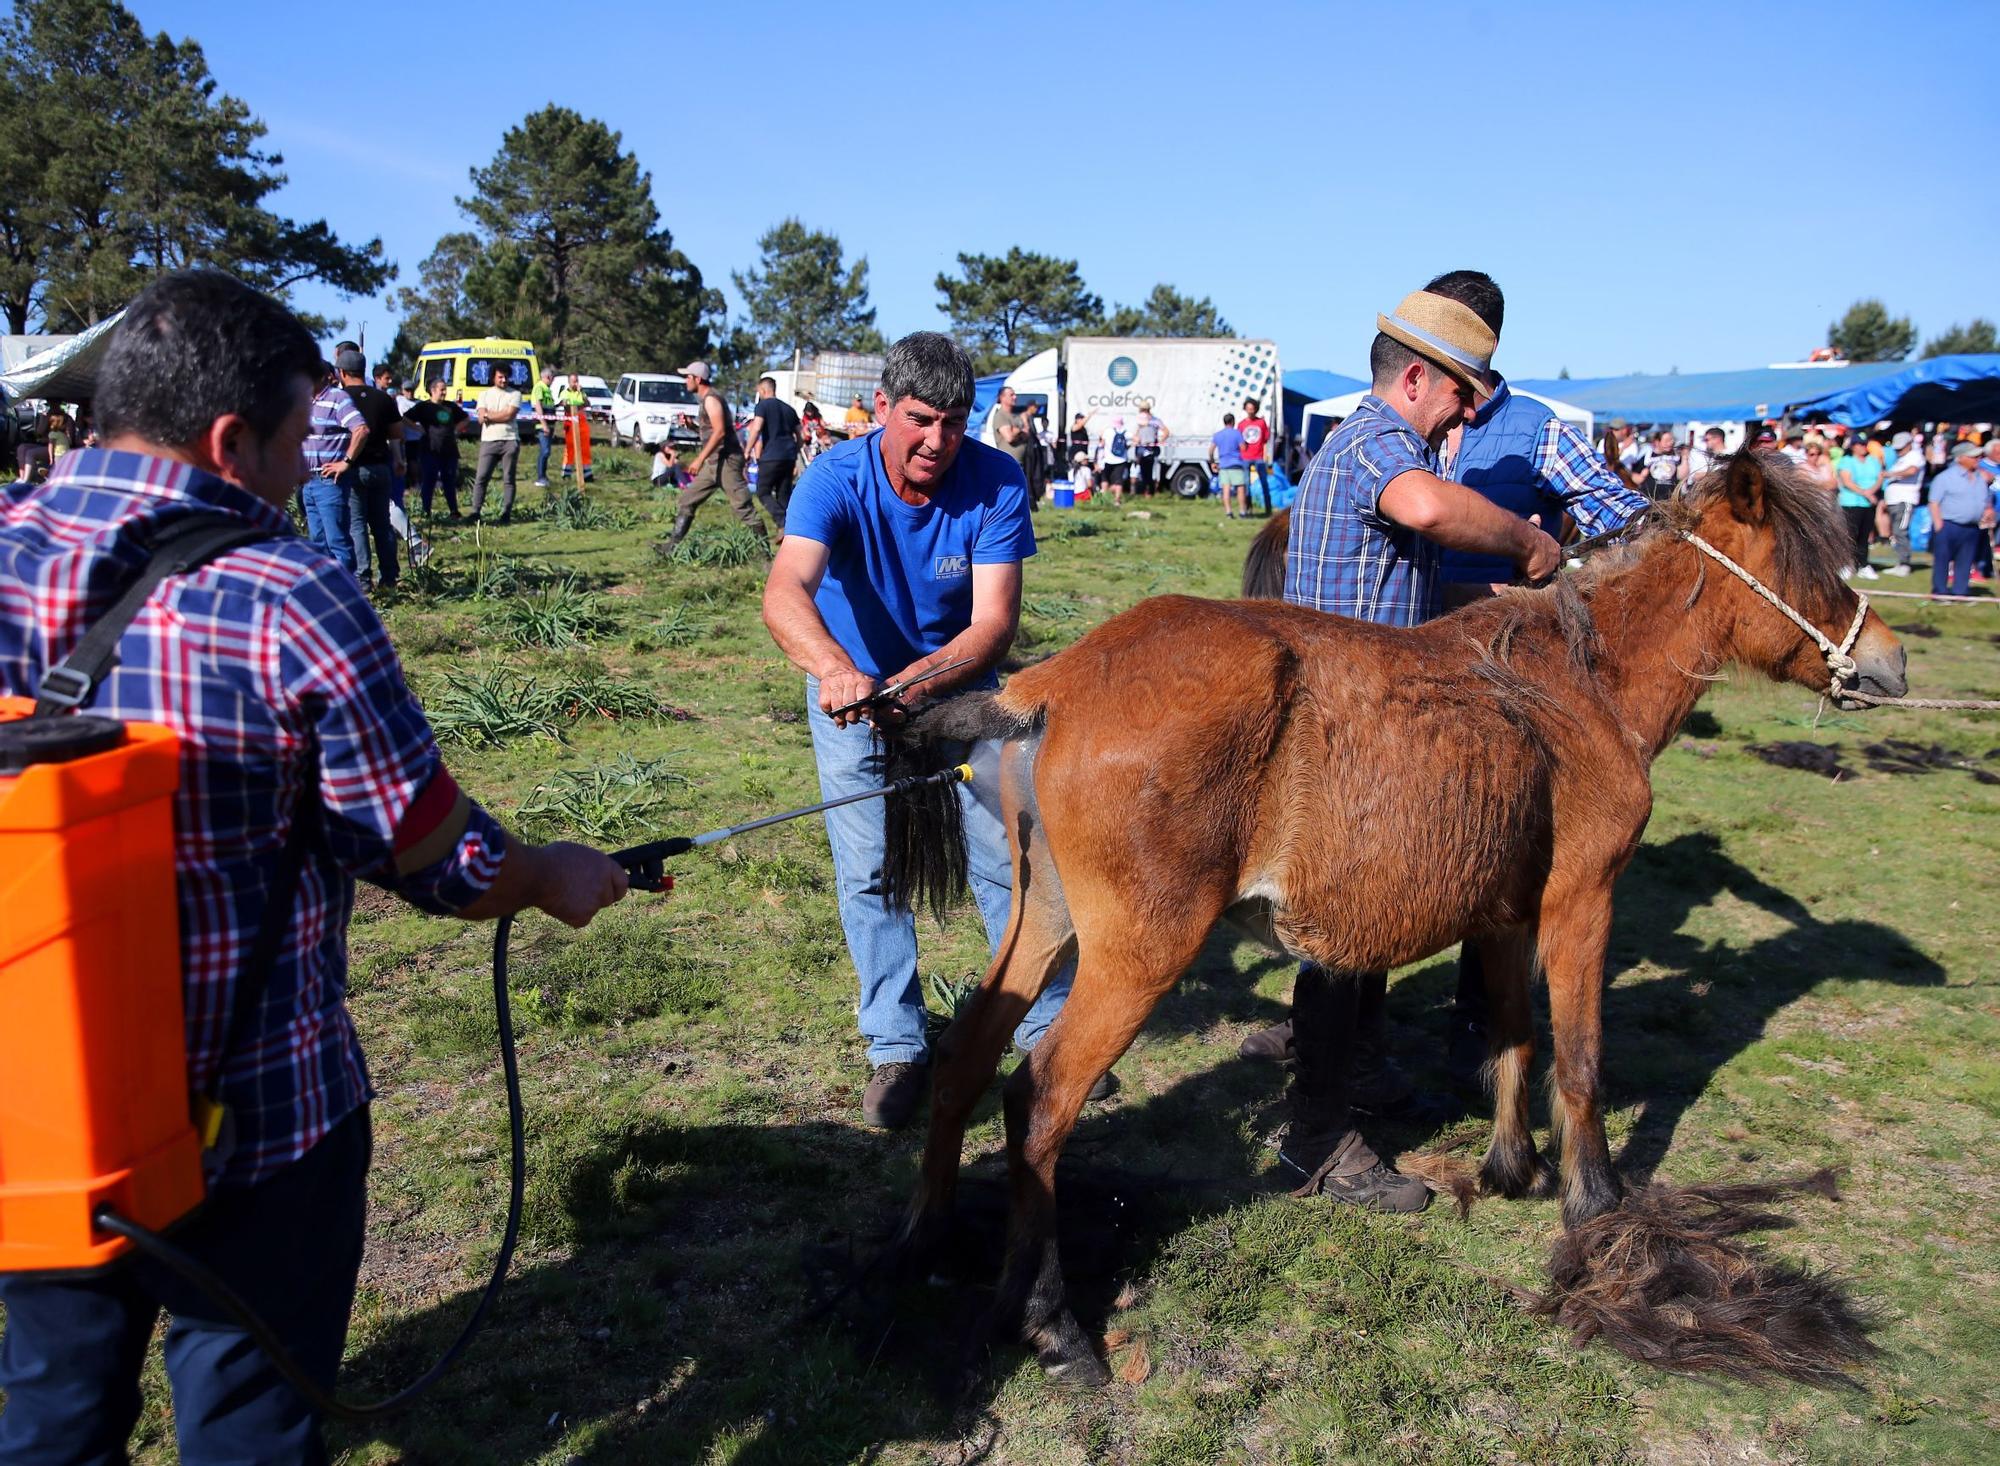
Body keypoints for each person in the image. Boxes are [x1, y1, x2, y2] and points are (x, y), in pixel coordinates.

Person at [0, 268, 629, 1463]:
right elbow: (433, 852)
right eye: (299, 438)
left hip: (34, 1097)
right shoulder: (288, 593)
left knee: (52, 1410)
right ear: (230, 440)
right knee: (249, 1421)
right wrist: (547, 871)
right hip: (260, 1113)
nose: (308, 466)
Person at [1275, 284, 1559, 1212]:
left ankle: (1354, 1071)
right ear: (1415, 378)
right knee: (1340, 930)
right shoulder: (1376, 445)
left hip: (1361, 721)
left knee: (1366, 923)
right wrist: (1524, 541)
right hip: (1342, 731)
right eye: (1463, 393)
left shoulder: (1371, 439)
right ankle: (1317, 1138)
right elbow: (1433, 513)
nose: (1472, 411)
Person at [760, 331, 1090, 1128]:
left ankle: (1046, 1030)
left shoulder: (996, 479)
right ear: (880, 408)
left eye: (953, 422)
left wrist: (917, 686)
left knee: (1006, 861)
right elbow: (785, 591)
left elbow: (991, 626)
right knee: (870, 869)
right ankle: (895, 1046)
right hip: (851, 694)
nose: (937, 441)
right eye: (918, 420)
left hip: (961, 693)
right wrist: (838, 671)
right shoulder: (833, 478)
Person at [657, 360, 767, 556]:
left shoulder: (711, 399)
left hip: (727, 461)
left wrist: (699, 459)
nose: (685, 381)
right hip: (714, 463)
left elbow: (720, 433)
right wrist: (691, 426)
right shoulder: (706, 400)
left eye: (688, 377)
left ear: (698, 379)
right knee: (687, 500)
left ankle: (765, 554)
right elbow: (709, 430)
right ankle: (671, 548)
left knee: (743, 507)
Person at [335, 350, 404, 591]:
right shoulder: (384, 398)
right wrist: (398, 460)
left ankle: (363, 578)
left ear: (341, 372)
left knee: (357, 525)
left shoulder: (339, 398)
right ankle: (389, 577)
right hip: (380, 467)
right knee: (382, 524)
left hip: (352, 467)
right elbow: (396, 434)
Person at [300, 360, 367, 572]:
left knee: (337, 540)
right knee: (318, 542)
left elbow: (361, 429)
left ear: (322, 377)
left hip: (329, 481)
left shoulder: (338, 398)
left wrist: (345, 462)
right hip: (308, 482)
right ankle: (328, 591)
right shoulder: (306, 402)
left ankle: (349, 590)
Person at [1930, 441, 1995, 597]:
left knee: (1965, 561)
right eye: (1973, 456)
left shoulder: (1981, 478)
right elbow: (1934, 502)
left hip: (1972, 527)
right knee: (1942, 560)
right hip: (1949, 525)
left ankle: (1961, 591)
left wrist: (1988, 511)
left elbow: (1985, 500)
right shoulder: (1945, 477)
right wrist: (1939, 524)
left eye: (1978, 456)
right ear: (1960, 458)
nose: (1977, 459)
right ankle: (1940, 592)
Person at [742, 375, 801, 537]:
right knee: (783, 495)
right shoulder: (789, 409)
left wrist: (747, 450)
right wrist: (794, 453)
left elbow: (756, 428)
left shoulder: (763, 406)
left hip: (771, 455)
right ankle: (792, 531)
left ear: (763, 390)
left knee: (763, 492)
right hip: (788, 456)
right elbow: (800, 436)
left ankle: (783, 523)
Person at [404, 377, 468, 520]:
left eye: (445, 389)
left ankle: (454, 511)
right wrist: (417, 429)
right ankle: (426, 511)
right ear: (433, 391)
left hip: (449, 450)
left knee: (449, 480)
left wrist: (456, 429)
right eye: (442, 389)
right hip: (430, 449)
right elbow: (405, 418)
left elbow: (466, 418)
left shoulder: (450, 407)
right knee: (429, 481)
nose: (445, 392)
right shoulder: (423, 407)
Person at [469, 365, 522, 523]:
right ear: (493, 377)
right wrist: (495, 414)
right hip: (489, 440)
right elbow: (480, 417)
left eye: (506, 377)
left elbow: (509, 415)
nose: (504, 380)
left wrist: (489, 415)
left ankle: (506, 512)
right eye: (500, 377)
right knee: (481, 477)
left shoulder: (515, 394)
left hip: (510, 440)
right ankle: (475, 512)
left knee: (508, 478)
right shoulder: (484, 394)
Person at [1835, 432, 1883, 579]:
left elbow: (1880, 477)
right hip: (1851, 502)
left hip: (1868, 503)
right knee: (1850, 534)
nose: (1863, 447)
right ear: (1853, 446)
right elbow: (1847, 481)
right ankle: (1846, 564)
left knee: (1864, 535)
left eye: (1864, 444)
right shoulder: (1846, 461)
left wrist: (1871, 492)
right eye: (1860, 444)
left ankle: (1863, 564)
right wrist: (1865, 493)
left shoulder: (1873, 460)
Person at [1880, 431, 1923, 575]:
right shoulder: (1900, 459)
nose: (1898, 451)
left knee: (1901, 531)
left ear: (1909, 444)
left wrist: (1889, 474)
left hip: (1905, 500)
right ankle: (1900, 562)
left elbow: (1911, 471)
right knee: (1896, 531)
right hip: (1894, 500)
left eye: (1901, 448)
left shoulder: (1915, 456)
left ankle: (1905, 563)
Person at [987, 385, 1037, 500]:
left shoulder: (1015, 416)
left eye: (1015, 395)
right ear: (1002, 398)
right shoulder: (1000, 416)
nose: (1015, 397)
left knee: (1019, 494)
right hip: (1007, 463)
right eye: (1011, 395)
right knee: (1008, 496)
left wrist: (1016, 430)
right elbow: (1009, 437)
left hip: (1020, 462)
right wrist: (1019, 430)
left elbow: (1027, 435)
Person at [1211, 410, 1248, 519]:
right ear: (1233, 422)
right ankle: (1242, 512)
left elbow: (1211, 450)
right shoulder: (1237, 433)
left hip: (1223, 466)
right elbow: (1243, 448)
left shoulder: (1217, 435)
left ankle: (1228, 513)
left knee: (1225, 490)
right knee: (1240, 489)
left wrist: (1212, 462)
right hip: (1236, 465)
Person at [1239, 398, 1273, 514]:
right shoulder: (1241, 424)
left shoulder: (1261, 423)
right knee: (1246, 485)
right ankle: (1248, 508)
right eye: (1248, 409)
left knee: (1264, 483)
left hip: (1259, 457)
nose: (1250, 411)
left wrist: (1266, 456)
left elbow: (1265, 439)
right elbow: (1239, 442)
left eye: (1252, 409)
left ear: (1256, 409)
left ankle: (1268, 509)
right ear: (1245, 409)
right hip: (1245, 457)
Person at [559, 371, 594, 484]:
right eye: (573, 381)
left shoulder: (581, 392)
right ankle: (566, 472)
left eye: (576, 381)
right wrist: (578, 406)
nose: (575, 383)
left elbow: (587, 403)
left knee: (585, 447)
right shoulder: (565, 393)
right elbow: (566, 406)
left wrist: (581, 393)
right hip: (570, 423)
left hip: (582, 422)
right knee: (570, 447)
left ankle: (587, 472)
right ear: (569, 382)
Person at [531, 366, 559, 487]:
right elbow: (538, 407)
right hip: (542, 426)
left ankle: (544, 476)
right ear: (548, 377)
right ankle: (540, 477)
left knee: (546, 451)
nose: (552, 381)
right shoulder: (539, 387)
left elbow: (549, 406)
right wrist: (544, 425)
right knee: (545, 451)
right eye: (552, 378)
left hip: (549, 424)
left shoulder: (546, 389)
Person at [1641, 427, 1684, 499]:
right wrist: (1642, 476)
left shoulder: (1677, 456)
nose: (1670, 443)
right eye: (1667, 441)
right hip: (1651, 498)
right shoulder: (1648, 457)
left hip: (1671, 499)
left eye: (1671, 440)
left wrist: (1685, 458)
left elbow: (1682, 476)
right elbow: (1635, 475)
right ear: (1657, 442)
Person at [1097, 415, 1129, 505]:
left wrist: (1099, 459)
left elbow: (1101, 445)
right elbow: (1136, 440)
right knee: (1118, 480)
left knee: (1105, 479)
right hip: (1121, 460)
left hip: (1108, 459)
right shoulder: (1125, 431)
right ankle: (1117, 500)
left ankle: (1103, 499)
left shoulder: (1107, 431)